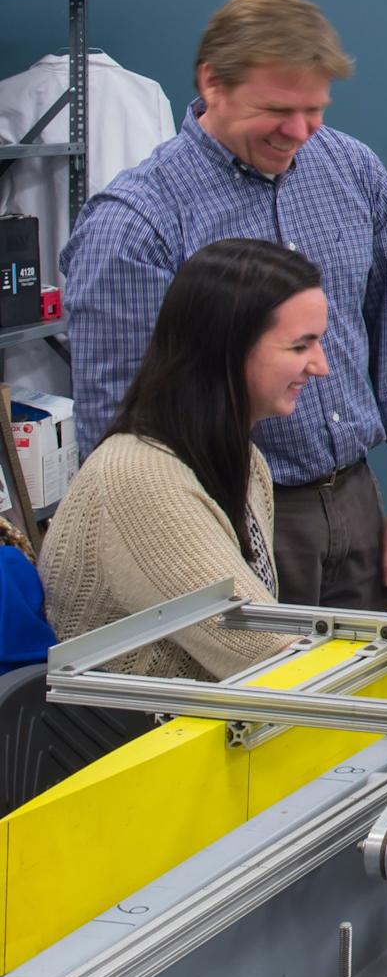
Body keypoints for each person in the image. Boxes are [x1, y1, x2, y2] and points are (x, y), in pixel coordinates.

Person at [61, 0, 387, 609]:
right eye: (276, 109)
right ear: (213, 83)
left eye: (315, 108)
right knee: (259, 705)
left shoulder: (353, 171)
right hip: (223, 522)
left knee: (366, 702)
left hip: (356, 501)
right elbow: (119, 433)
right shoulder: (135, 223)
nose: (299, 131)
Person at [41, 239, 329, 679]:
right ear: (228, 348)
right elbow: (272, 655)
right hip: (136, 742)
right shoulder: (139, 481)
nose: (320, 365)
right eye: (299, 347)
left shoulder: (245, 461)